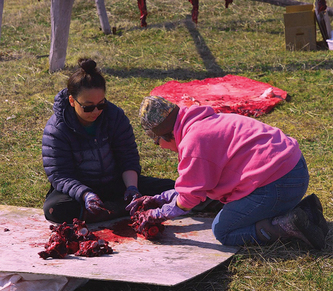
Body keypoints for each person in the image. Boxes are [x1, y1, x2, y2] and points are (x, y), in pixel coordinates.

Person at [127, 95, 328, 250]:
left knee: (223, 231)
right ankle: (306, 213)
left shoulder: (193, 142)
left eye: (156, 142)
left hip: (278, 183)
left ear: (165, 134)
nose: (160, 147)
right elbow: (197, 187)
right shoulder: (202, 123)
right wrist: (159, 198)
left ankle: (286, 224)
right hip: (294, 169)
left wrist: (157, 214)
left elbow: (189, 199)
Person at [42, 60, 174, 224]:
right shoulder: (56, 129)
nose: (96, 111)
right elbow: (60, 176)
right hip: (79, 191)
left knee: (176, 190)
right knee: (55, 208)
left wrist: (132, 188)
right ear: (71, 101)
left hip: (117, 183)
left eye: (101, 104)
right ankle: (124, 208)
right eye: (88, 107)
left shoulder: (115, 116)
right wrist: (86, 194)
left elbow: (128, 157)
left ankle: (115, 208)